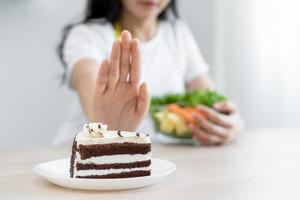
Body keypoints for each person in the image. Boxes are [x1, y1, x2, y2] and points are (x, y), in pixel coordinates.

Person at [54, 0, 244, 146]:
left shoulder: (178, 34)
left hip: (149, 163)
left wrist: (230, 124)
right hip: (79, 161)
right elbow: (93, 100)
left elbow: (213, 102)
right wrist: (110, 123)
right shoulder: (88, 35)